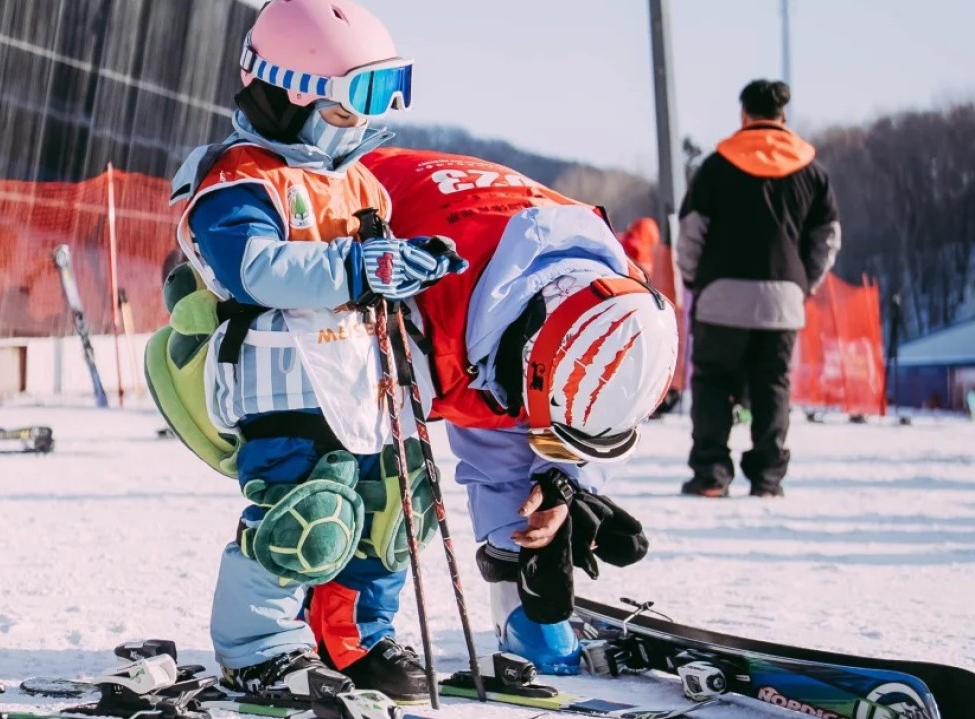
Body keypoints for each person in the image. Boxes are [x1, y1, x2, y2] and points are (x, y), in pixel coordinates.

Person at [166, 0, 461, 703]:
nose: (362, 121)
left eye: (380, 99)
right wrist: (364, 267)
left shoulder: (361, 181)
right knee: (304, 512)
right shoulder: (238, 177)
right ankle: (261, 648)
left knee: (389, 511)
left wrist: (410, 267)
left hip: (360, 378)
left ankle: (356, 637)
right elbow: (254, 269)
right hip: (279, 382)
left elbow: (376, 268)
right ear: (286, 94)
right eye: (345, 105)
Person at [360, 148, 680, 675]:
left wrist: (565, 482)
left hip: (493, 281)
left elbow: (587, 402)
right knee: (374, 478)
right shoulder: (424, 309)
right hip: (348, 216)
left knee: (511, 416)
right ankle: (341, 622)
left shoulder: (624, 303)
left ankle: (516, 590)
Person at [676, 79, 841, 498]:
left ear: (744, 115)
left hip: (720, 298)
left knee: (713, 382)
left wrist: (695, 280)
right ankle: (767, 478)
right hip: (783, 301)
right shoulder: (812, 172)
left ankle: (711, 474)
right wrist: (801, 284)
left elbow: (691, 234)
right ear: (783, 116)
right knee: (772, 385)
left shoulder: (716, 167)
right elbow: (827, 240)